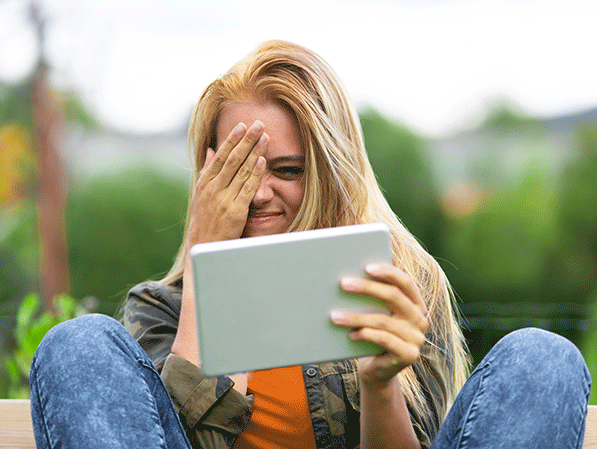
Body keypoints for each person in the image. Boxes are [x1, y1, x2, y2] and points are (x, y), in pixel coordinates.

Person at [29, 40, 591, 449]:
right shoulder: (163, 312)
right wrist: (206, 265)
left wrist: (379, 383)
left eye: (288, 169)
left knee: (544, 360)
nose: (258, 193)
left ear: (330, 170)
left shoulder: (402, 287)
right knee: (77, 343)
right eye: (237, 169)